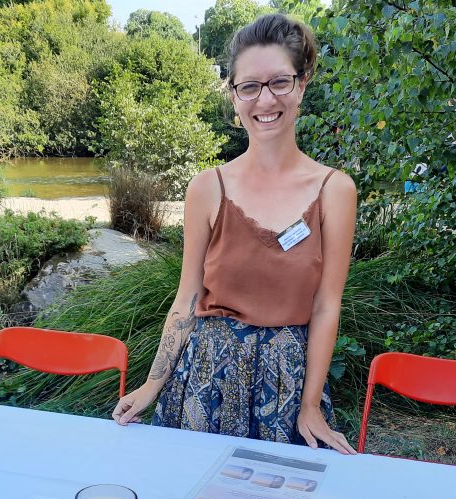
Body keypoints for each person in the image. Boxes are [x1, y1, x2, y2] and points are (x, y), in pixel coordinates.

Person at [112, 13, 357, 455]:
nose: (265, 100)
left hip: (289, 380)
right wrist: (152, 385)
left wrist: (311, 406)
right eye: (250, 86)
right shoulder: (208, 187)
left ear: (302, 84)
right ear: (234, 95)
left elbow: (326, 306)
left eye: (279, 82)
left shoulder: (334, 191)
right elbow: (187, 297)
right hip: (205, 376)